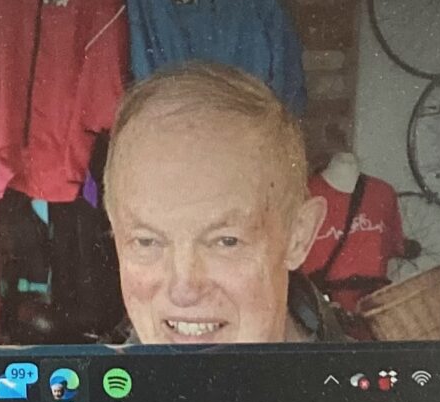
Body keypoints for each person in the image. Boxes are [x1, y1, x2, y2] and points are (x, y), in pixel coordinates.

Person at [103, 61, 323, 346]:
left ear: (298, 236)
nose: (184, 289)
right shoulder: (87, 386)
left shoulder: (374, 386)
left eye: (226, 241)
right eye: (146, 242)